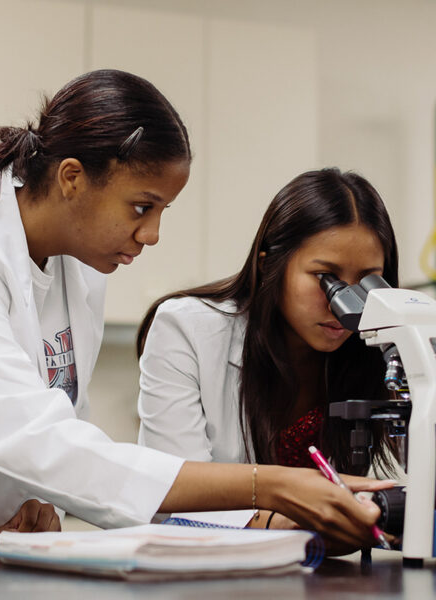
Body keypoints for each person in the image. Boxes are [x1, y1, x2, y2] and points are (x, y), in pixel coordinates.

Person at [0, 70, 390, 553]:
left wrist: (36, 500)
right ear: (70, 178)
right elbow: (32, 437)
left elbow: (57, 422)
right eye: (142, 206)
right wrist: (268, 485)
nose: (152, 235)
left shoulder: (78, 270)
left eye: (164, 211)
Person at [137, 168, 402, 529]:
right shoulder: (186, 328)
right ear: (269, 265)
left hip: (320, 576)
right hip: (208, 569)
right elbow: (174, 496)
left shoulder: (374, 354)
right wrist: (304, 526)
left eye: (366, 281)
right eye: (327, 278)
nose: (346, 304)